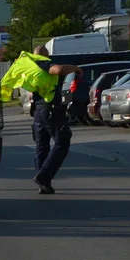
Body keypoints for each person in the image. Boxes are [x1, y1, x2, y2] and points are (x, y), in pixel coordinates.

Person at [28, 46, 81, 194]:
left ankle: (43, 183)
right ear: (46, 56)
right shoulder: (43, 64)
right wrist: (75, 68)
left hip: (37, 110)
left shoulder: (30, 68)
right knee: (62, 141)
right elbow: (58, 70)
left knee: (42, 146)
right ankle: (44, 176)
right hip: (50, 109)